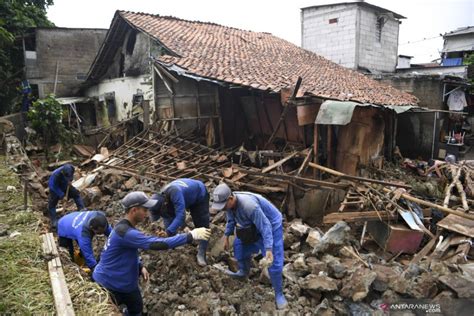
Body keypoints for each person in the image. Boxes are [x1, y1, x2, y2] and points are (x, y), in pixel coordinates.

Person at [93, 191, 211, 315]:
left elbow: (127, 250)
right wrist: (190, 236)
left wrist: (140, 265)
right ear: (134, 210)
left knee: (137, 308)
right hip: (109, 283)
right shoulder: (126, 232)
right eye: (144, 210)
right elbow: (158, 244)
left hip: (123, 283)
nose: (147, 213)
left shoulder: (124, 227)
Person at [211, 183, 288, 310]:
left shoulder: (249, 206)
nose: (222, 208)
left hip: (271, 225)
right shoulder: (229, 206)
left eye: (223, 205)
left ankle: (279, 294)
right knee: (239, 249)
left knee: (273, 263)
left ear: (230, 198)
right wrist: (226, 236)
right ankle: (243, 272)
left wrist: (268, 248)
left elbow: (265, 226)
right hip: (250, 226)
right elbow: (231, 220)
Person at [149, 178, 210, 266]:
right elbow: (163, 217)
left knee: (202, 226)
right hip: (184, 197)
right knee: (169, 218)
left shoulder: (174, 192)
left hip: (198, 195)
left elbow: (180, 216)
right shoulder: (159, 199)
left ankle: (201, 253)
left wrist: (168, 232)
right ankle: (172, 244)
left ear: (164, 204)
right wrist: (157, 229)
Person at [48, 163, 85, 230]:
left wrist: (69, 181)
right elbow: (52, 186)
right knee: (52, 205)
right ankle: (54, 221)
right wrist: (62, 195)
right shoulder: (55, 175)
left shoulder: (71, 168)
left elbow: (71, 176)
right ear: (63, 172)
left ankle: (81, 209)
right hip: (56, 189)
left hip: (65, 186)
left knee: (76, 194)